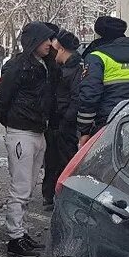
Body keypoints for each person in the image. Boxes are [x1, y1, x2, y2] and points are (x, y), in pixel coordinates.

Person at [0, 21, 56, 257]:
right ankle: (14, 238)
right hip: (22, 133)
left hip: (38, 132)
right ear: (34, 41)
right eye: (46, 40)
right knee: (20, 188)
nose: (50, 44)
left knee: (29, 187)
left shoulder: (44, 65)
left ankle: (20, 232)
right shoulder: (18, 66)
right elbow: (2, 101)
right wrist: (14, 124)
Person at [77, 15, 129, 144]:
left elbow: (89, 96)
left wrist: (84, 131)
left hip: (107, 126)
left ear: (100, 37)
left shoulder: (97, 58)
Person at [43, 31, 83, 210]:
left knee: (65, 160)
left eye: (56, 50)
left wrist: (65, 120)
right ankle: (53, 196)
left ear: (63, 50)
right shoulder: (67, 68)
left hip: (65, 124)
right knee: (54, 160)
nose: (54, 54)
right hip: (60, 122)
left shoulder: (74, 70)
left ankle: (63, 198)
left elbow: (76, 98)